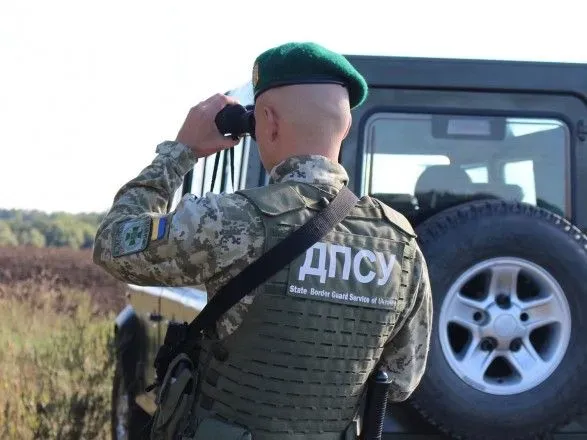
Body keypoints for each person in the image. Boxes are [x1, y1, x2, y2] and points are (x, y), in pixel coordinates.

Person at [93, 41, 433, 439]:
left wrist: (180, 152)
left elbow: (113, 243)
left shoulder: (232, 220)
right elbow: (402, 380)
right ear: (345, 126)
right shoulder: (400, 243)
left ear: (267, 121)